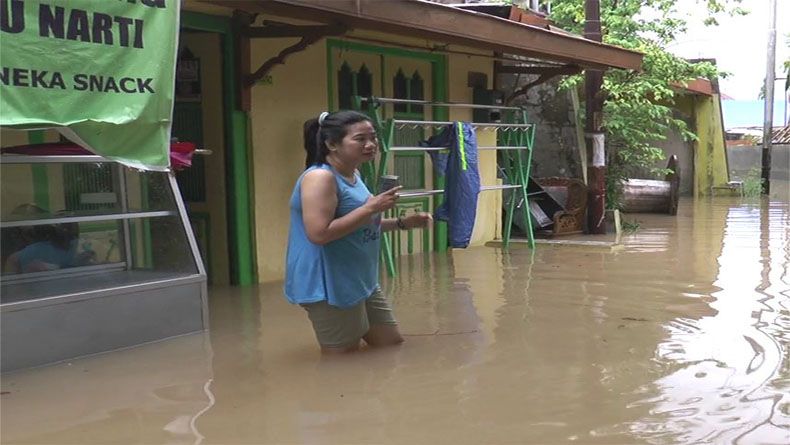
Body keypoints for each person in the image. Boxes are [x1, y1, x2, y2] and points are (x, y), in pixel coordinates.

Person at [285, 110, 432, 354]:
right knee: (343, 362)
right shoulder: (320, 177)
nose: (371, 144)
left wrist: (403, 223)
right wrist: (371, 207)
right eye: (360, 139)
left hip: (358, 278)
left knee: (390, 344)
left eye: (373, 137)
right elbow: (319, 234)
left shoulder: (353, 173)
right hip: (329, 282)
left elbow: (360, 224)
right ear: (331, 144)